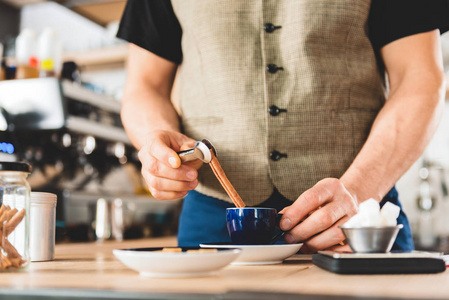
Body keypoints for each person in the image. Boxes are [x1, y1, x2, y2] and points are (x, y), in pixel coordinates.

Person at [117, 0, 449, 252]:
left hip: (356, 217)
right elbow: (145, 86)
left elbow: (419, 80)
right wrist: (154, 141)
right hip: (213, 220)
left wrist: (360, 190)